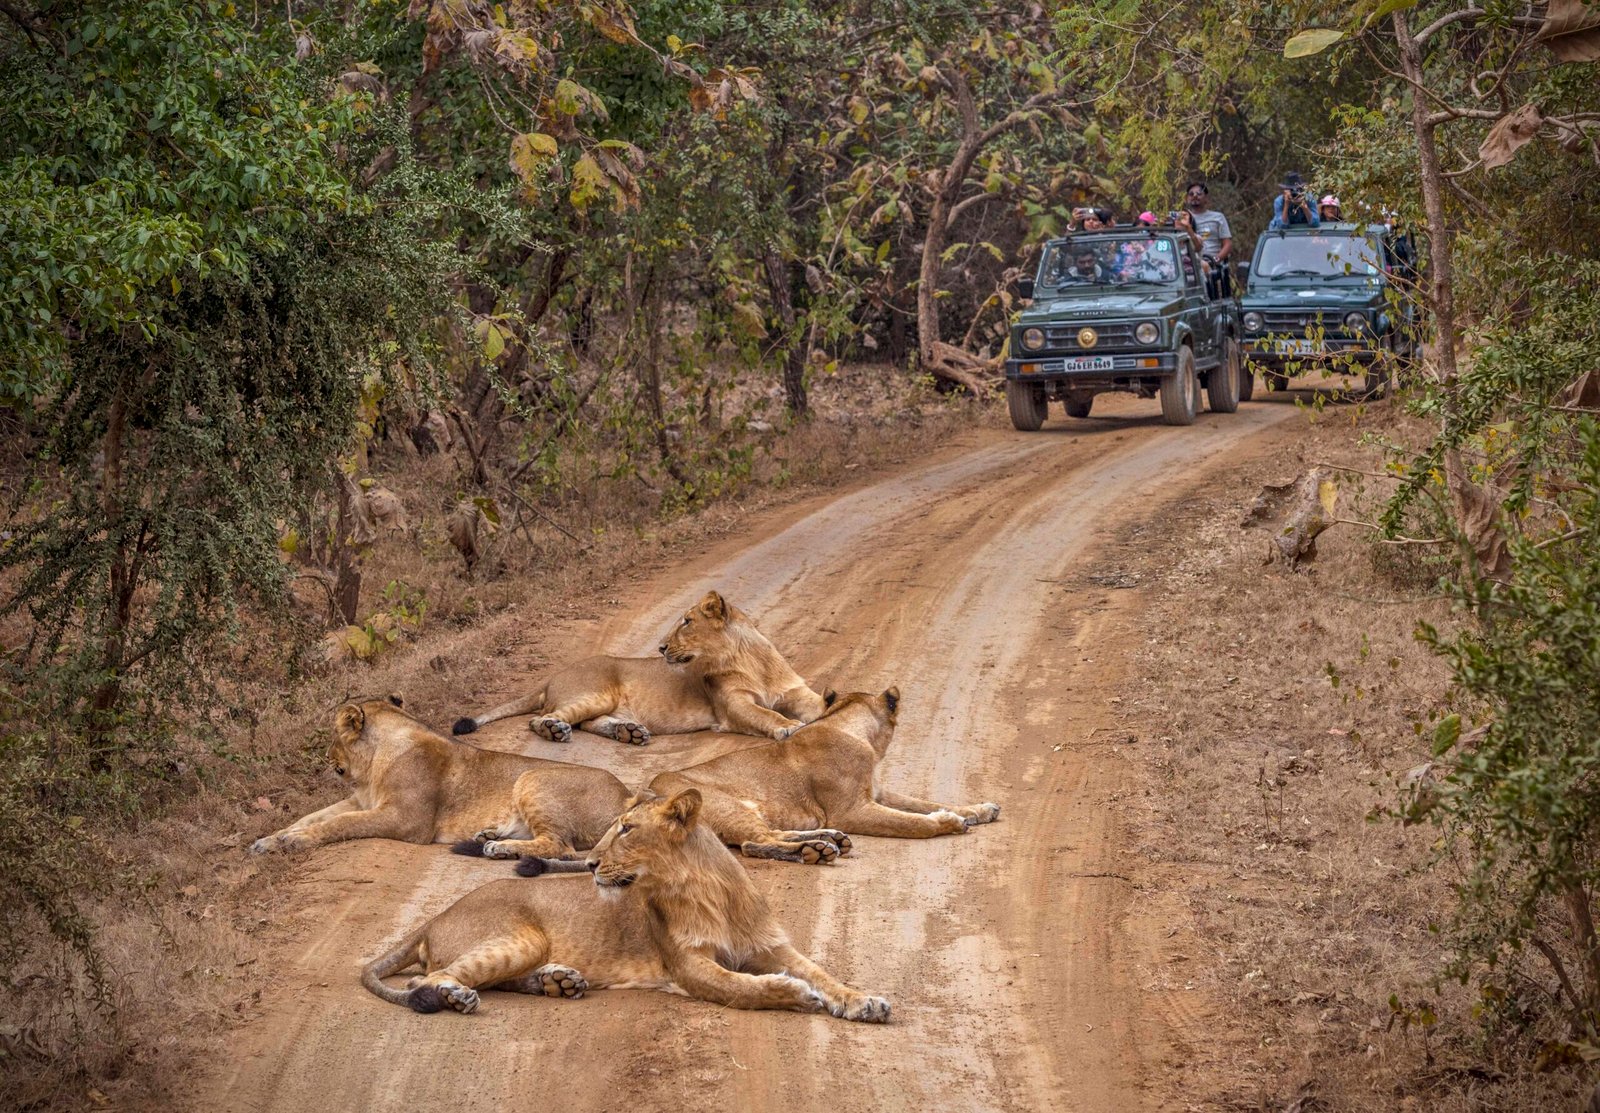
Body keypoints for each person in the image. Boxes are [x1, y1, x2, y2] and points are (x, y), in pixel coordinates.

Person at [1182, 183, 1233, 295]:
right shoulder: (1182, 218)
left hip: (1211, 259)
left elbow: (1227, 244)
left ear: (1206, 198)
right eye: (1191, 194)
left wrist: (1216, 259)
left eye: (1199, 194)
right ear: (1186, 198)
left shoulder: (1218, 217)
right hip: (1188, 259)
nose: (1194, 196)